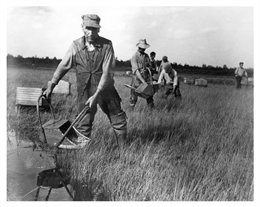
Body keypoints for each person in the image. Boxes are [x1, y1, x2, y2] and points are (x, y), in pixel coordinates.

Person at [43, 14, 127, 149]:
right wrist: (51, 86)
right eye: (88, 28)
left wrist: (97, 93)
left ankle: (124, 152)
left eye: (95, 29)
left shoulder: (107, 45)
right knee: (83, 122)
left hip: (106, 90)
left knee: (118, 119)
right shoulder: (76, 46)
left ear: (99, 30)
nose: (91, 32)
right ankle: (83, 152)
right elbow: (63, 66)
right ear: (82, 27)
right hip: (85, 91)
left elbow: (107, 72)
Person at [129, 39, 154, 109]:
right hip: (137, 79)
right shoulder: (135, 57)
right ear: (139, 47)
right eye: (142, 48)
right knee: (133, 97)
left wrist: (150, 69)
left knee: (149, 95)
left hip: (146, 78)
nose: (144, 49)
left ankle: (152, 111)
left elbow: (149, 66)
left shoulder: (146, 56)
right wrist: (143, 82)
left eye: (144, 48)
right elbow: (136, 71)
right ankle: (131, 111)